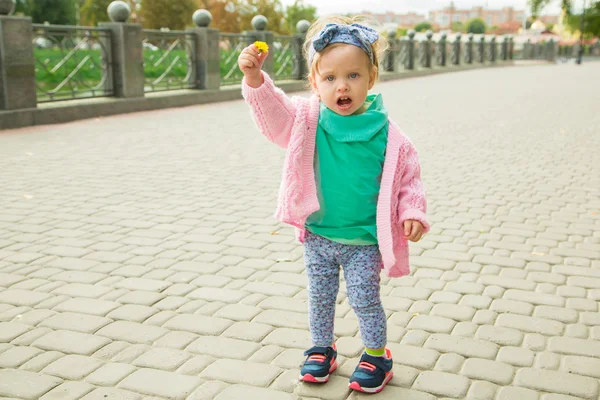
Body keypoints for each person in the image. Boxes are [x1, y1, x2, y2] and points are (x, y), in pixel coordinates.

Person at [238, 16, 429, 394]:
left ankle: (377, 355)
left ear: (371, 78)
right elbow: (274, 117)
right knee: (319, 298)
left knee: (364, 299)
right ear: (314, 83)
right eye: (329, 78)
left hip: (363, 240)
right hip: (319, 235)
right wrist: (256, 81)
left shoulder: (390, 136)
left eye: (353, 76)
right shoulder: (307, 120)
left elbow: (409, 180)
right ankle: (321, 348)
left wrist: (412, 212)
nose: (341, 86)